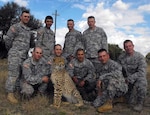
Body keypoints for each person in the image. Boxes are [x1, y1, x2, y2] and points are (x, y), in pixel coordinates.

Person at [4, 10, 31, 103]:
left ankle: (17, 92)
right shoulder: (15, 27)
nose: (26, 18)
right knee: (13, 74)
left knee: (21, 76)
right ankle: (10, 93)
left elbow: (29, 44)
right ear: (21, 17)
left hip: (24, 56)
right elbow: (8, 40)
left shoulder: (28, 31)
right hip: (15, 55)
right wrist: (12, 51)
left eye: (28, 17)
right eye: (25, 16)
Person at [118, 40, 147, 112]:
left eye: (129, 46)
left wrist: (130, 78)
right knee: (129, 101)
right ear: (124, 48)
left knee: (142, 83)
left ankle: (140, 103)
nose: (128, 48)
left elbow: (142, 72)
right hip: (126, 79)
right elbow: (118, 69)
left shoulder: (140, 57)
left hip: (137, 78)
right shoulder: (121, 57)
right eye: (126, 47)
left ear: (133, 46)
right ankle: (124, 97)